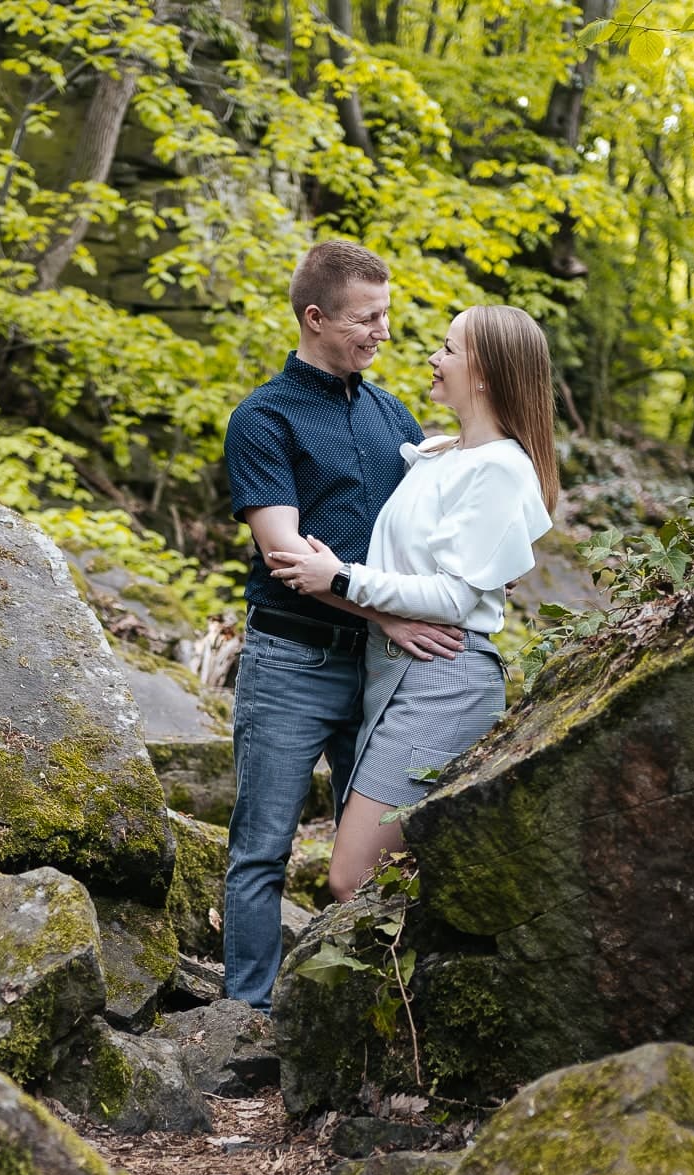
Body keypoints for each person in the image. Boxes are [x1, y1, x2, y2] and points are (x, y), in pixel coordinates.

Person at [220, 241, 467, 1011]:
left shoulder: (391, 413)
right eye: (368, 318)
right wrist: (390, 613)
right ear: (316, 317)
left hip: (377, 665)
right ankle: (248, 1016)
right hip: (288, 661)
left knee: (373, 848)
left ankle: (352, 1007)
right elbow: (287, 555)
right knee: (262, 848)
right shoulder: (262, 418)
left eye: (387, 314)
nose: (384, 331)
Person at [268, 304, 558, 904]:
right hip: (394, 670)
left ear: (484, 373)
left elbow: (454, 596)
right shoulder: (438, 453)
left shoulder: (501, 469)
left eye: (448, 349)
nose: (433, 357)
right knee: (389, 875)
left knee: (353, 878)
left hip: (442, 678)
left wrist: (340, 579)